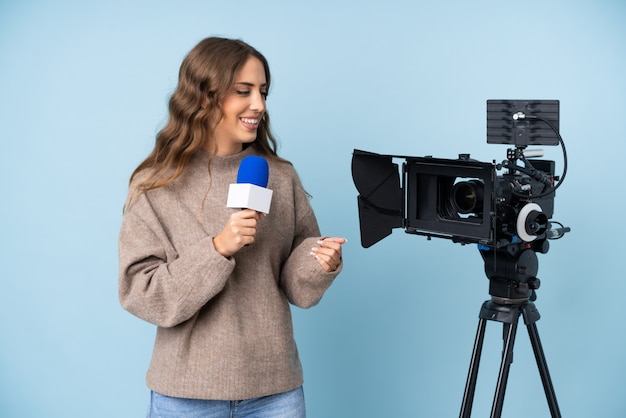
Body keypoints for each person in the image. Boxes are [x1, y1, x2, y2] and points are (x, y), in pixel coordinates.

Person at [118, 37, 346, 418]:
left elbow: (296, 288)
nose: (259, 104)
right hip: (186, 395)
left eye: (263, 92)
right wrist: (218, 248)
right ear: (204, 96)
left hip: (275, 392)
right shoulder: (156, 185)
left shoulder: (279, 176)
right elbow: (141, 292)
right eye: (244, 91)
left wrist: (319, 263)